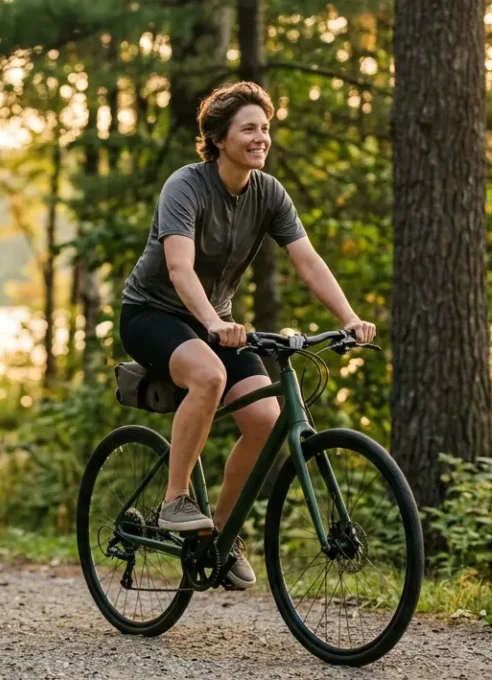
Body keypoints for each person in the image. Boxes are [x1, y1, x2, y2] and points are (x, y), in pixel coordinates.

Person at [117, 82, 376, 590]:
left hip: (217, 323)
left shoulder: (268, 192)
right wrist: (212, 323)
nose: (261, 138)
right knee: (209, 376)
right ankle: (174, 502)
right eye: (249, 129)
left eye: (265, 128)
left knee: (264, 419)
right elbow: (179, 267)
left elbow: (307, 260)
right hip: (153, 312)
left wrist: (348, 316)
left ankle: (220, 535)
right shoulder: (186, 186)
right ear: (218, 137)